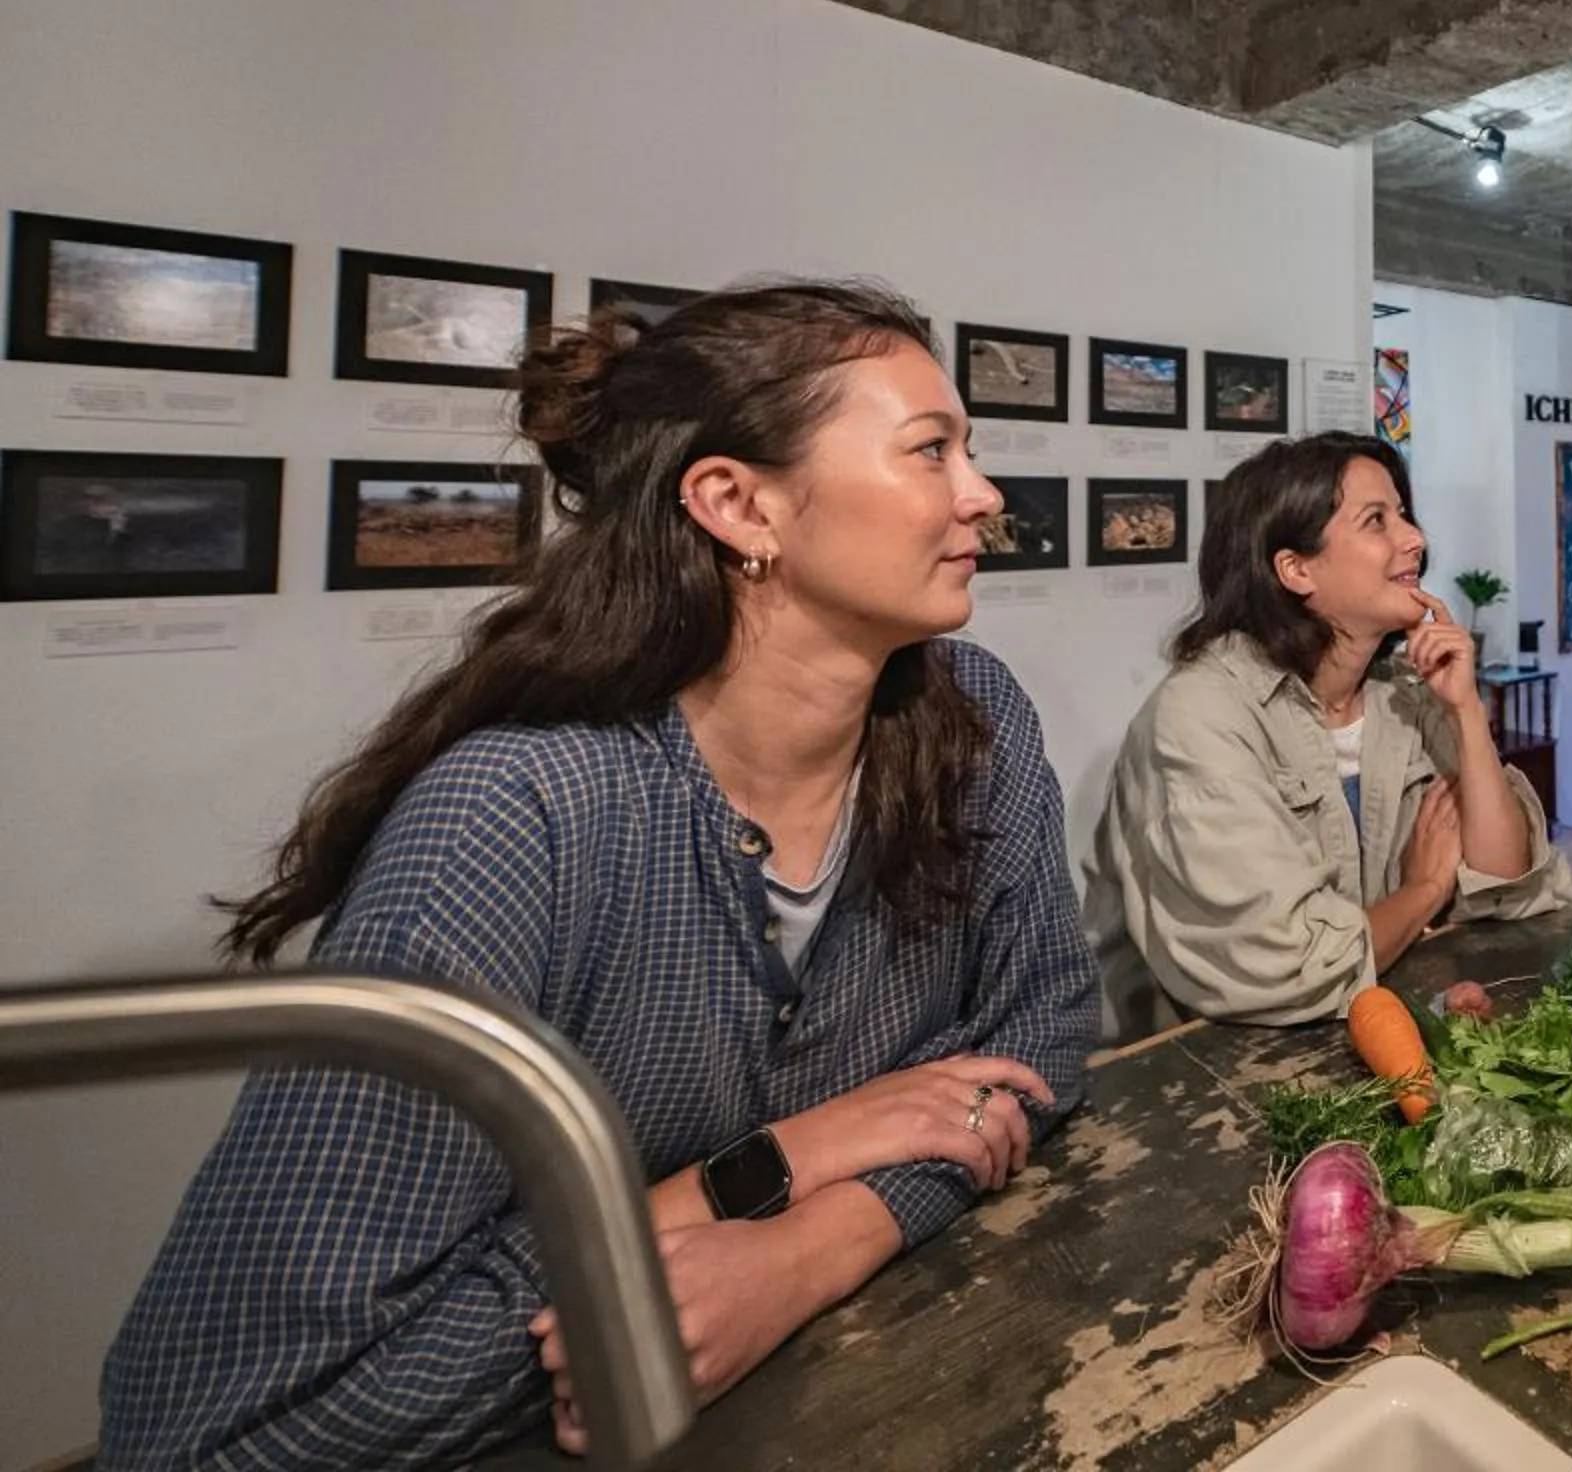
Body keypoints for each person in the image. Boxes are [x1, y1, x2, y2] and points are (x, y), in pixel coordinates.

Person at [101, 282, 1100, 1469]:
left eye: (969, 451)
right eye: (931, 449)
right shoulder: (513, 823)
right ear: (738, 504)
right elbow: (225, 1431)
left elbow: (1040, 1033)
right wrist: (761, 1173)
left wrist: (818, 1242)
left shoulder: (972, 717)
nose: (983, 494)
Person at [1090, 432, 1571, 1037]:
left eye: (1404, 514)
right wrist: (1425, 890)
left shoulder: (1407, 694)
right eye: (1376, 520)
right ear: (1294, 569)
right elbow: (1289, 968)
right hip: (1217, 1074)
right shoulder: (1199, 719)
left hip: (1378, 1036)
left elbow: (1509, 885)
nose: (1415, 539)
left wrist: (1468, 711)